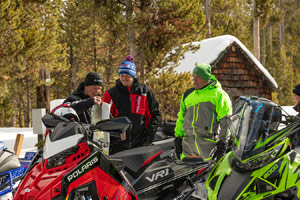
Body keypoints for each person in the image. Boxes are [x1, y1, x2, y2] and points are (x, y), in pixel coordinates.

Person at [102, 55, 161, 154]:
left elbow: (155, 115)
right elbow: (104, 120)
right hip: (117, 146)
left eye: (127, 76)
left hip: (140, 144)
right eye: (122, 75)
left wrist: (148, 138)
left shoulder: (144, 91)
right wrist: (116, 134)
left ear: (132, 76)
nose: (124, 78)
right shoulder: (111, 93)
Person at [174, 63, 232, 161]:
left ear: (206, 78)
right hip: (188, 151)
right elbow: (181, 118)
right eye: (194, 77)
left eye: (198, 77)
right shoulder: (188, 95)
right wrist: (178, 138)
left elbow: (226, 122)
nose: (194, 80)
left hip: (208, 152)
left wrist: (223, 145)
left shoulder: (219, 95)